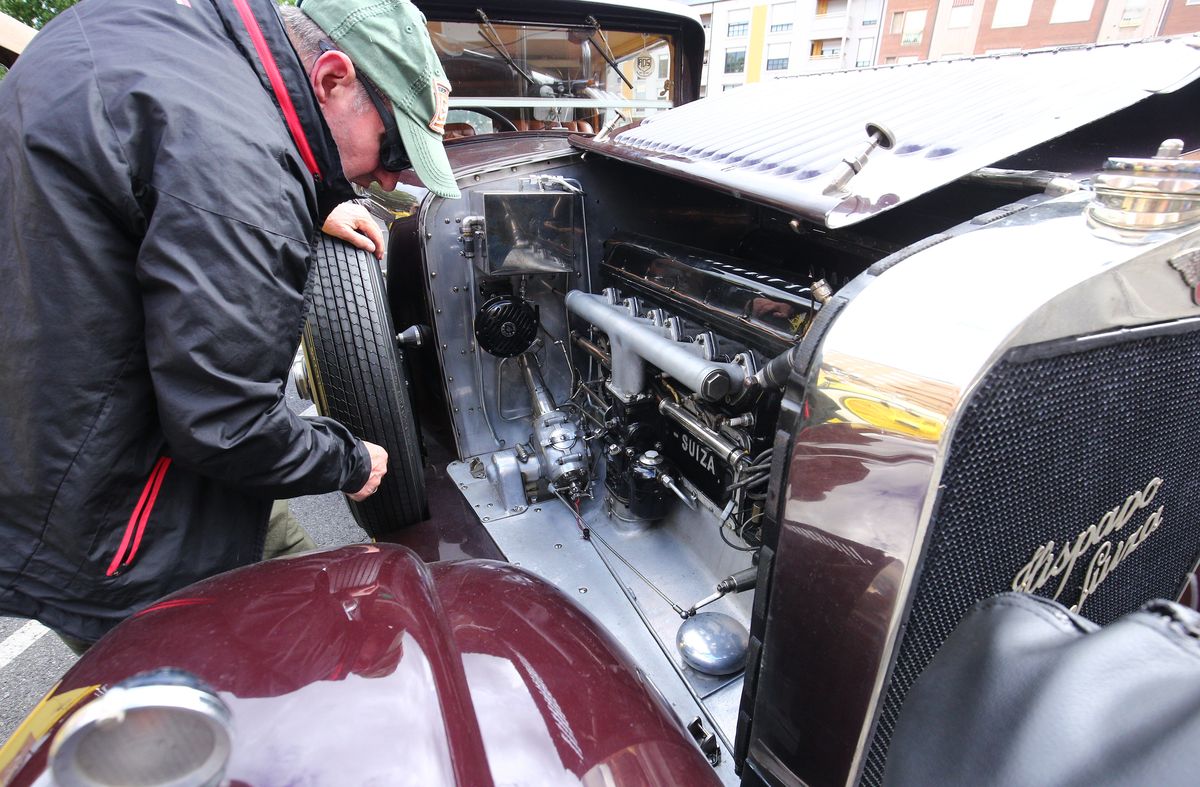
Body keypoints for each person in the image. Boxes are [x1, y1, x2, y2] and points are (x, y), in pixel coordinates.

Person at [0, 0, 461, 649]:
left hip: (74, 440)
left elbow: (150, 169)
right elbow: (227, 423)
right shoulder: (238, 178)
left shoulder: (145, 30)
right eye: (391, 147)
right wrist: (352, 458)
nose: (389, 176)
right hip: (121, 519)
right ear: (331, 78)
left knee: (306, 584)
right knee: (223, 712)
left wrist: (316, 195)